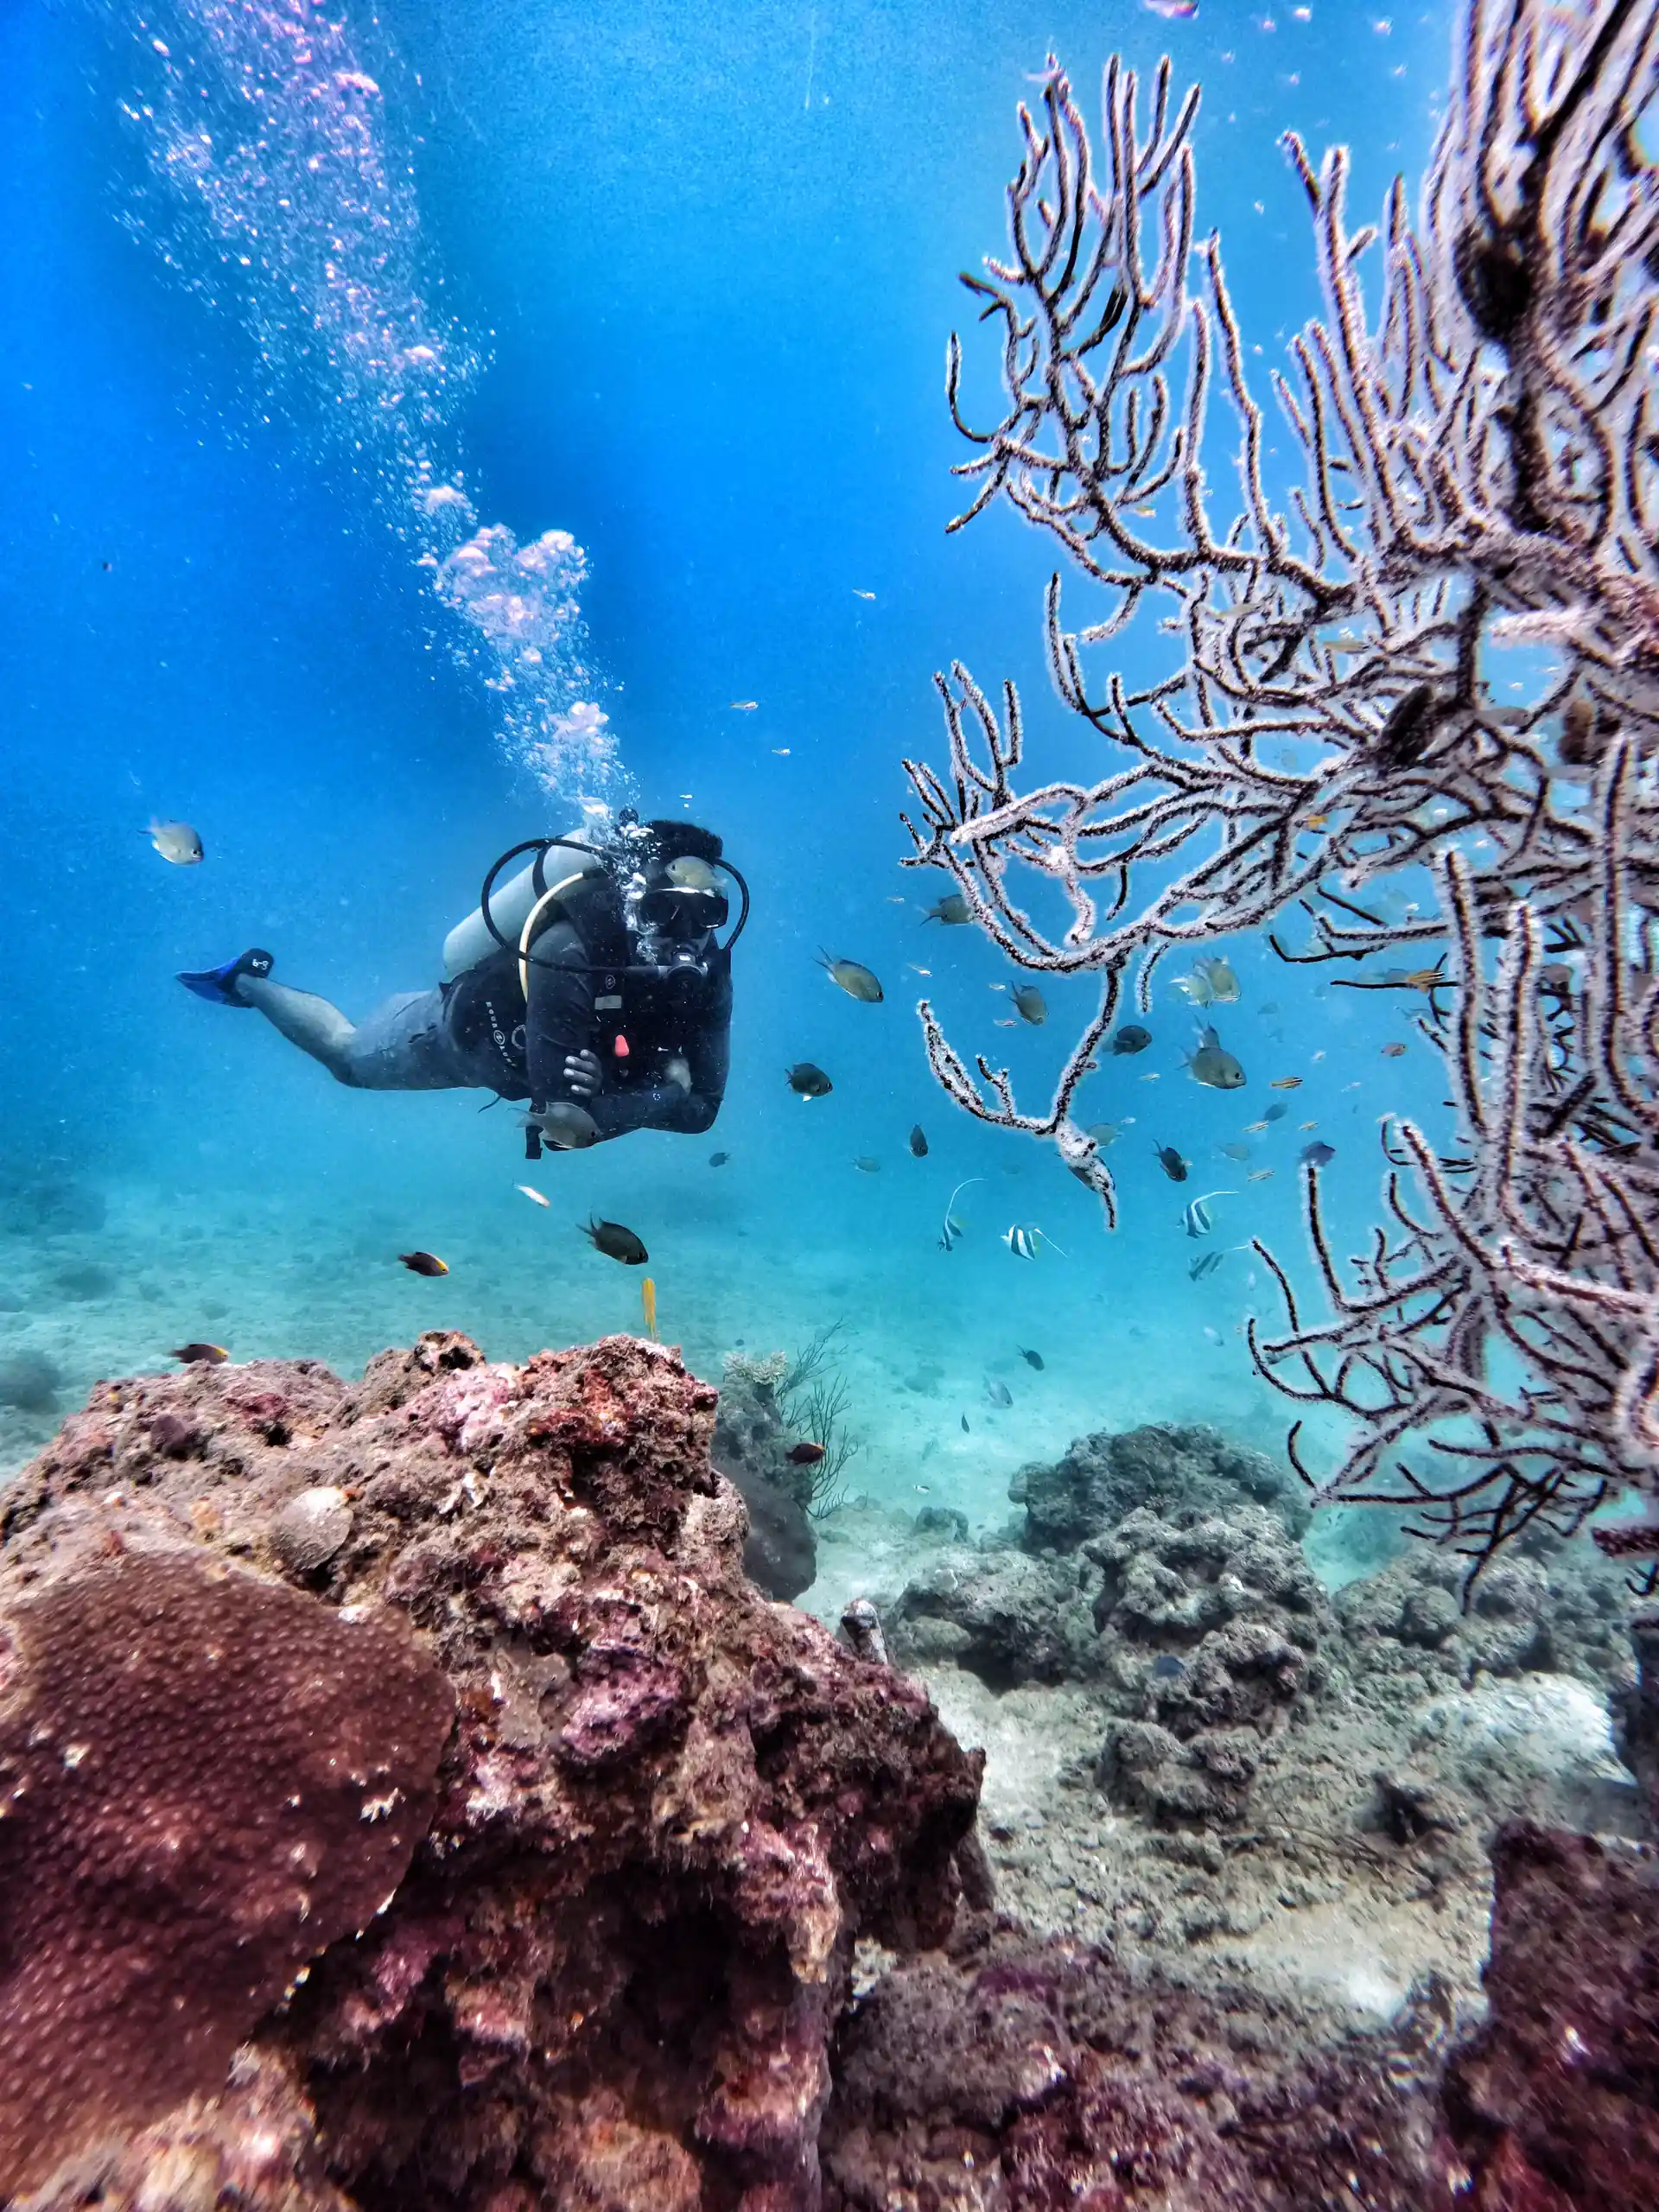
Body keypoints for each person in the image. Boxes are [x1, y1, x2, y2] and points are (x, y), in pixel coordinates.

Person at [177, 815, 740, 1156]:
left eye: (707, 914)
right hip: (463, 1037)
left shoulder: (708, 970)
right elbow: (560, 1124)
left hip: (549, 1053)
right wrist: (664, 1090)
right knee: (346, 1058)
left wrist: (619, 1094)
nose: (687, 938)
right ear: (635, 902)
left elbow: (706, 1111)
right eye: (667, 911)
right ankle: (245, 982)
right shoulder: (565, 951)